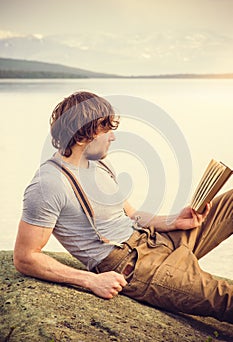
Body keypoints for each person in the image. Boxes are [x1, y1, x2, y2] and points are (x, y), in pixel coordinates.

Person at [14, 91, 233, 323]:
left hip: (156, 239)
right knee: (226, 297)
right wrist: (91, 281)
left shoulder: (99, 164)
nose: (113, 137)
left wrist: (174, 221)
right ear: (81, 137)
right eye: (105, 129)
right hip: (136, 267)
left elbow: (133, 215)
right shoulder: (48, 184)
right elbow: (25, 257)